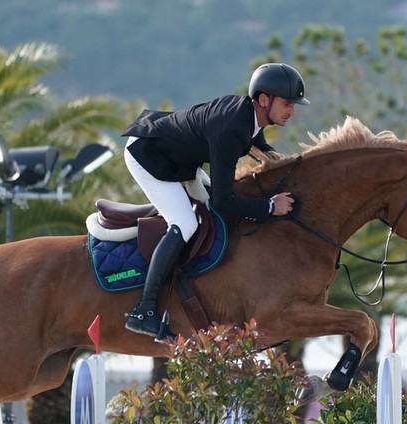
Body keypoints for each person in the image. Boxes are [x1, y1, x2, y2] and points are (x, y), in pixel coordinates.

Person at [122, 62, 308, 340]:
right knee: (185, 223)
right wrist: (269, 207)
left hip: (181, 159)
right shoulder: (232, 128)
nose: (292, 111)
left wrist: (291, 165)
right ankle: (144, 310)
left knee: (207, 212)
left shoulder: (251, 116)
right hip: (148, 155)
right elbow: (223, 200)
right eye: (287, 104)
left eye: (294, 104)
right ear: (264, 100)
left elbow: (260, 146)